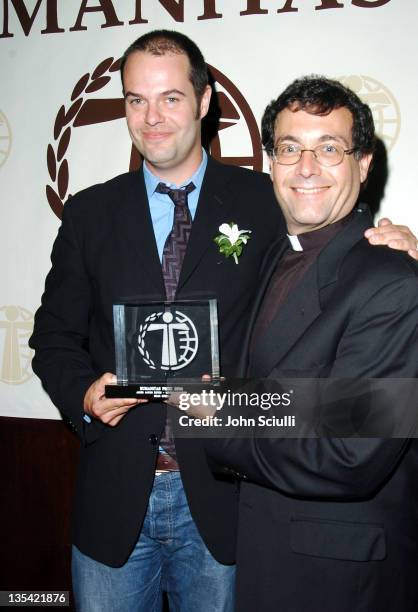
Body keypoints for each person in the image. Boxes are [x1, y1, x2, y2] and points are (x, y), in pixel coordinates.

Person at [29, 30, 416, 612]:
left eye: (171, 98)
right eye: (136, 100)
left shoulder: (270, 198)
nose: (152, 117)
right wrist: (82, 395)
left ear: (205, 101)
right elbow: (53, 335)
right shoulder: (88, 212)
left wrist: (394, 240)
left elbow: (335, 260)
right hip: (114, 496)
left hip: (228, 504)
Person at [205, 76, 418, 612]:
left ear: (363, 165)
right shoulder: (271, 255)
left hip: (334, 580)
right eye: (289, 148)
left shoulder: (393, 282)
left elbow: (350, 449)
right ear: (271, 162)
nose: (305, 168)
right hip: (260, 555)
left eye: (329, 148)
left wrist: (215, 414)